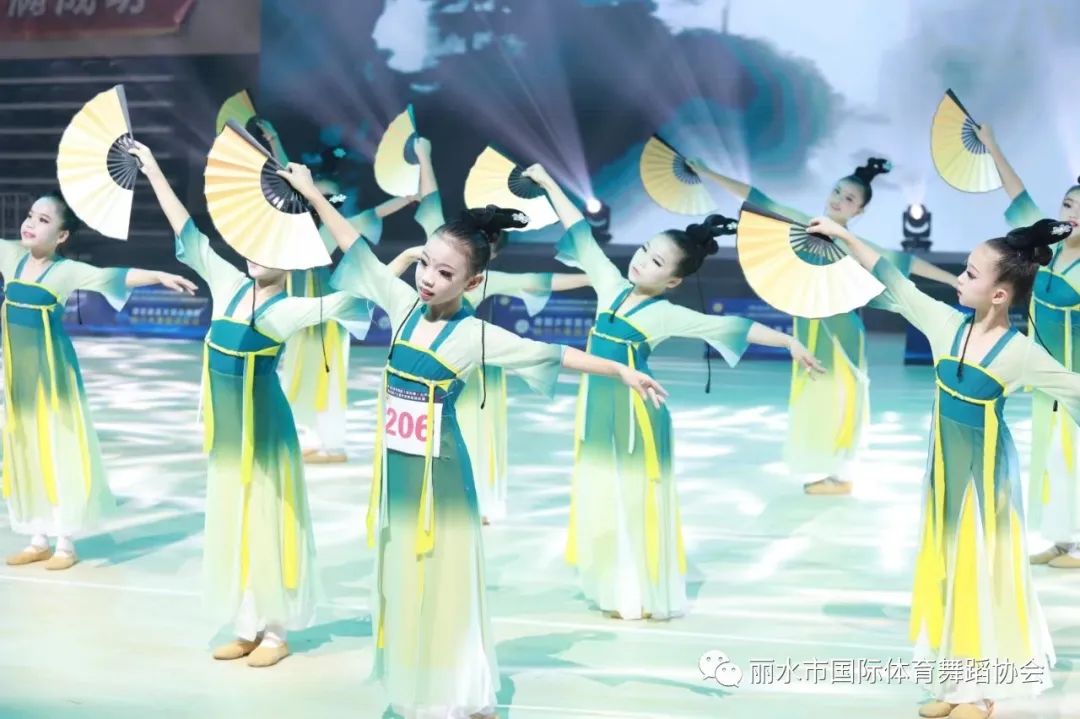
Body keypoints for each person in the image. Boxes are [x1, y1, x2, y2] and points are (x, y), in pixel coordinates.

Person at [280, 153, 666, 719]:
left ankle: (456, 693)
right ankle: (418, 680)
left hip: (443, 478)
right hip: (398, 474)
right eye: (426, 264)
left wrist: (622, 371)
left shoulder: (475, 335)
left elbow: (553, 353)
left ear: (473, 281)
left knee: (446, 581)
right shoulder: (401, 305)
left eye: (445, 273)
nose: (428, 278)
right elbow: (353, 247)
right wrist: (313, 194)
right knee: (405, 576)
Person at [809, 214, 1078, 719]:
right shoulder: (943, 323)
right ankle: (954, 683)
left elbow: (1075, 389)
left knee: (980, 578)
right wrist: (843, 235)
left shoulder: (1021, 353)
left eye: (971, 273)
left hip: (986, 486)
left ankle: (981, 691)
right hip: (942, 478)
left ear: (999, 294)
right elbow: (891, 277)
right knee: (949, 576)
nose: (960, 278)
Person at [527, 163, 824, 621]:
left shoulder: (666, 314)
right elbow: (579, 231)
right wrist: (548, 182)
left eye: (657, 262)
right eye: (645, 249)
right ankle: (612, 587)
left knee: (635, 501)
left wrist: (788, 341)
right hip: (596, 413)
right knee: (603, 497)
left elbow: (732, 326)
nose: (642, 260)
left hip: (637, 418)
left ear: (673, 282)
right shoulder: (609, 284)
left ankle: (638, 591)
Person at [131, 141, 371, 668]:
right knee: (235, 527)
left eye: (270, 243)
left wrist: (390, 262)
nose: (255, 250)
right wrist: (152, 169)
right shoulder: (226, 284)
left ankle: (276, 631)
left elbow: (363, 290)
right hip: (226, 440)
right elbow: (186, 230)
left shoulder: (291, 309)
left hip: (265, 438)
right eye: (252, 240)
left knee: (268, 526)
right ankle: (246, 625)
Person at [691, 158, 958, 495]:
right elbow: (757, 198)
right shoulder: (800, 224)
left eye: (849, 199)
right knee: (813, 396)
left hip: (840, 333)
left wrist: (954, 281)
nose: (839, 200)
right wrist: (706, 173)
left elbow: (909, 263)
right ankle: (832, 468)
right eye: (837, 191)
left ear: (859, 211)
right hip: (806, 328)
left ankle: (843, 474)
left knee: (840, 396)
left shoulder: (854, 245)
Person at [387, 136, 590, 523]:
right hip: (437, 363)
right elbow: (431, 203)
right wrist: (425, 156)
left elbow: (542, 281)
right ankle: (441, 498)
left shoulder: (482, 279)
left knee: (465, 434)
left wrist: (596, 278)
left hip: (469, 364)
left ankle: (466, 499)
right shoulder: (443, 252)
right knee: (443, 435)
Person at [2, 190, 196, 571]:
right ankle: (37, 537)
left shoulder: (65, 271)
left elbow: (112, 276)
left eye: (43, 220)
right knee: (26, 452)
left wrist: (157, 275)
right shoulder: (11, 257)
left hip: (54, 381)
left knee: (58, 453)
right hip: (18, 382)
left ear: (62, 236)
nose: (30, 223)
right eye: (30, 215)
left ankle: (65, 542)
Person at [974, 123, 1080, 568]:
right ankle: (1062, 538)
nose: (1074, 213)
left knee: (1075, 459)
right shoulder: (1045, 245)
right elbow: (1016, 192)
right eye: (1069, 204)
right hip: (1043, 383)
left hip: (1075, 383)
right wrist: (992, 144)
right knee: (1053, 460)